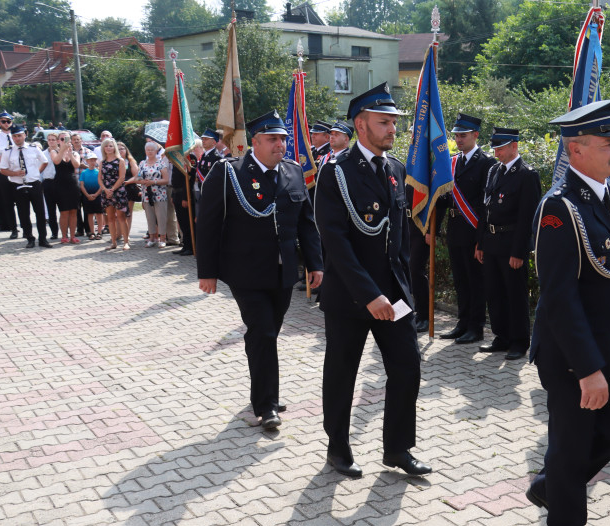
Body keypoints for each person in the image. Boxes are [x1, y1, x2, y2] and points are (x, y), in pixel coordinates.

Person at [526, 99, 610, 526]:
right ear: (576, 150)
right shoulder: (560, 208)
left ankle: (553, 486)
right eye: (608, 142)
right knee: (572, 444)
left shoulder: (606, 192)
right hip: (576, 354)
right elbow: (559, 298)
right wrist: (587, 369)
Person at [314, 83, 431, 478]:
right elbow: (336, 243)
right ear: (360, 125)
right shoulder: (335, 173)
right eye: (384, 122)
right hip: (351, 296)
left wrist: (404, 294)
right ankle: (338, 447)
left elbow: (398, 243)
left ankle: (397, 448)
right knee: (342, 373)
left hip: (393, 296)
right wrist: (369, 295)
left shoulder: (395, 170)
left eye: (394, 123)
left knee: (407, 368)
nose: (392, 130)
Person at [196, 110, 324, 430]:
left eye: (283, 139)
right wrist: (207, 272)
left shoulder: (293, 171)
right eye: (272, 139)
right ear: (255, 142)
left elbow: (306, 223)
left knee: (269, 333)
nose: (280, 144)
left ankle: (267, 390)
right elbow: (208, 225)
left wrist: (316, 263)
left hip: (283, 272)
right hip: (245, 272)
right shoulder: (229, 173)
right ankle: (266, 405)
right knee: (263, 331)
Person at [478, 127, 541, 359]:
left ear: (514, 146)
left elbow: (528, 219)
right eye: (494, 147)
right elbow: (486, 209)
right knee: (494, 293)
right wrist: (481, 243)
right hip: (492, 241)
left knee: (515, 294)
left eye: (501, 147)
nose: (496, 152)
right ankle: (501, 336)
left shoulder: (527, 175)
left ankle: (519, 341)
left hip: (511, 244)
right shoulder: (494, 171)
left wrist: (520, 251)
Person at [432, 114, 495, 343]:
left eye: (463, 135)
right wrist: (435, 229)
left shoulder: (487, 163)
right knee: (460, 279)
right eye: (456, 135)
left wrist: (482, 239)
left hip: (474, 229)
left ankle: (475, 327)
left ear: (475, 135)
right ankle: (462, 322)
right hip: (456, 228)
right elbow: (443, 200)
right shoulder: (452, 162)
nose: (458, 139)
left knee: (475, 280)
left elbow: (486, 205)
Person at [0, 124, 50, 248]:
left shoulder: (33, 148)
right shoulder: (8, 152)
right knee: (23, 213)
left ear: (25, 135)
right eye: (15, 136)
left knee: (40, 212)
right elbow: (3, 169)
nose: (17, 138)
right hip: (18, 184)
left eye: (19, 135)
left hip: (34, 183)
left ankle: (43, 239)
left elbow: (45, 161)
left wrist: (36, 173)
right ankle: (29, 238)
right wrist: (15, 173)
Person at [135, 141, 171, 248]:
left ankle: (162, 238)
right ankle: (152, 238)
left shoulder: (161, 163)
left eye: (152, 150)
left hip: (159, 194)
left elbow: (166, 180)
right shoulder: (142, 163)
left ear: (156, 151)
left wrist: (154, 182)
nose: (150, 152)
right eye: (148, 150)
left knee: (161, 217)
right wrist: (142, 181)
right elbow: (138, 177)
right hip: (146, 194)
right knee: (149, 217)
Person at [97, 139, 129, 251]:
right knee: (110, 218)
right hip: (106, 192)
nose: (108, 148)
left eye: (111, 146)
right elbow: (99, 178)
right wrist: (105, 189)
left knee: (121, 217)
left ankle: (126, 242)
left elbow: (122, 177)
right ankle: (113, 242)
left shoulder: (120, 161)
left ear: (114, 147)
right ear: (103, 148)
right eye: (106, 146)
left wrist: (112, 189)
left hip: (118, 191)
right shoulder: (102, 162)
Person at [49, 132, 80, 243]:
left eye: (67, 139)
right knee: (64, 211)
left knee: (73, 211)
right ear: (58, 141)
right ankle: (64, 236)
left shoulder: (75, 153)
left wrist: (70, 153)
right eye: (62, 139)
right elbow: (56, 161)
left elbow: (77, 165)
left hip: (72, 184)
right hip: (60, 184)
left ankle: (72, 236)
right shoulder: (54, 151)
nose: (64, 141)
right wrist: (63, 150)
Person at [170, 147, 197, 256]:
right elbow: (174, 178)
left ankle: (191, 247)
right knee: (182, 222)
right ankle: (185, 245)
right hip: (176, 193)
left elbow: (190, 179)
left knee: (187, 222)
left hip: (184, 194)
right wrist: (172, 194)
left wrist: (186, 197)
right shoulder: (176, 157)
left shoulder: (190, 157)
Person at [40, 132, 60, 240]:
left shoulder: (61, 152)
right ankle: (54, 232)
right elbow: (40, 170)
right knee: (51, 209)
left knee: (63, 209)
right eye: (49, 140)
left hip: (59, 182)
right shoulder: (43, 153)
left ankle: (65, 232)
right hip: (48, 182)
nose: (51, 141)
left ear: (57, 141)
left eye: (53, 139)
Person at [118, 142, 140, 238]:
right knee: (118, 213)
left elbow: (137, 175)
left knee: (128, 213)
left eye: (122, 148)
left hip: (129, 188)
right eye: (118, 149)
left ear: (126, 150)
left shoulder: (131, 161)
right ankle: (118, 234)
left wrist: (127, 182)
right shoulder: (114, 161)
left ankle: (126, 234)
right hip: (117, 189)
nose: (120, 151)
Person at [79, 155, 103, 239]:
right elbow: (81, 185)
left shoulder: (99, 172)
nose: (92, 162)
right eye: (90, 160)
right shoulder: (84, 172)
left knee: (99, 214)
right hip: (87, 195)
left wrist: (96, 194)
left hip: (98, 195)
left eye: (94, 160)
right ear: (87, 161)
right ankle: (92, 232)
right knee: (89, 214)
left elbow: (101, 185)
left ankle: (99, 232)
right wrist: (87, 195)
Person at [194, 129, 223, 197]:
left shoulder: (217, 157)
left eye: (206, 139)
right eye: (202, 139)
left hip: (212, 193)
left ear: (214, 142)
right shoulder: (204, 156)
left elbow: (217, 178)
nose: (203, 141)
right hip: (203, 191)